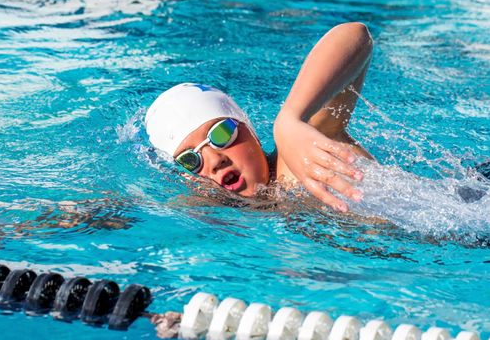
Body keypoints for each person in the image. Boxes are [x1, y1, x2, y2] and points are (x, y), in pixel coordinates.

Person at [146, 22, 374, 213]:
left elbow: (355, 35)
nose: (215, 161)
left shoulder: (303, 158)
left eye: (221, 134)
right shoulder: (207, 209)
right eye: (190, 160)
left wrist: (290, 118)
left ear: (250, 129)